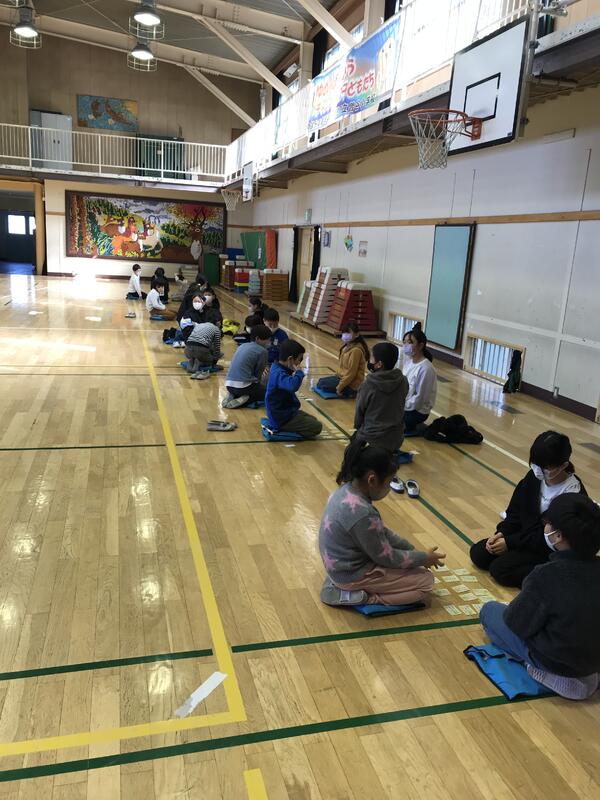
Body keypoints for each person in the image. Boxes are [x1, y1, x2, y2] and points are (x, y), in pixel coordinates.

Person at [480, 493, 600, 700]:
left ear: (558, 535)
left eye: (548, 523)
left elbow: (517, 624)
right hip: (594, 659)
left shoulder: (545, 575)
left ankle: (550, 674)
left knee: (490, 611)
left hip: (556, 660)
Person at [319, 438, 446, 606]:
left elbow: (380, 532)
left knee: (413, 566)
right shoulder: (363, 513)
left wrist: (410, 550)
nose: (389, 488)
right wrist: (422, 558)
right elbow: (386, 557)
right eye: (389, 482)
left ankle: (344, 586)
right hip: (351, 575)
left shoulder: (345, 490)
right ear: (372, 480)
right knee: (425, 582)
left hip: (340, 567)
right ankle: (362, 597)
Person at [470, 431, 587, 587]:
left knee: (500, 570)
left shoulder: (572, 495)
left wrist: (510, 543)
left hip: (546, 548)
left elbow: (548, 537)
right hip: (525, 538)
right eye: (535, 464)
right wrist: (502, 533)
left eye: (545, 468)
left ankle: (552, 574)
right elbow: (515, 511)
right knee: (479, 553)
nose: (538, 470)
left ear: (563, 466)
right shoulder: (534, 477)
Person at [354, 341, 408, 452]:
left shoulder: (368, 384)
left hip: (372, 439)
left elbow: (359, 412)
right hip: (396, 439)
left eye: (372, 358)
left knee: (351, 452)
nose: (370, 361)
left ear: (379, 364)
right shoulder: (403, 381)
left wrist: (358, 429)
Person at [265, 339, 322, 439]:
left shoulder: (277, 367)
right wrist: (299, 373)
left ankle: (289, 425)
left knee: (313, 419)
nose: (299, 363)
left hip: (286, 412)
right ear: (290, 359)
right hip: (281, 417)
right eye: (299, 360)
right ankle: (283, 430)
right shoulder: (279, 373)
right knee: (317, 427)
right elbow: (292, 386)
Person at [222, 324, 271, 408]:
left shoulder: (242, 345)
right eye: (267, 340)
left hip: (229, 385)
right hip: (244, 388)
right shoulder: (263, 351)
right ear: (257, 339)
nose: (269, 342)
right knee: (268, 393)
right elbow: (258, 374)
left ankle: (233, 395)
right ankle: (246, 399)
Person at [316, 321, 368, 397]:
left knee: (323, 385)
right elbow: (342, 368)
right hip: (342, 378)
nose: (345, 335)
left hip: (352, 384)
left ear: (357, 334)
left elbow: (351, 373)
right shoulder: (345, 348)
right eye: (344, 332)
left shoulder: (356, 351)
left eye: (348, 333)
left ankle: (352, 392)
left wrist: (340, 387)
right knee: (321, 382)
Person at [401, 322, 437, 433]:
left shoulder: (426, 368)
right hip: (405, 405)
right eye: (404, 342)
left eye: (410, 342)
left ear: (421, 346)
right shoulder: (408, 362)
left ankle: (410, 425)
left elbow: (419, 399)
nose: (405, 345)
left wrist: (400, 406)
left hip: (416, 411)